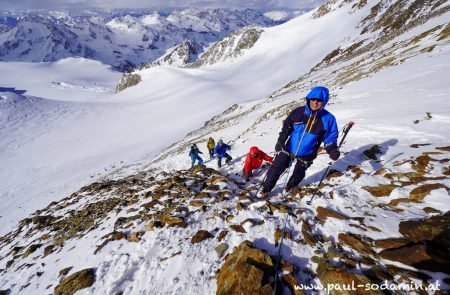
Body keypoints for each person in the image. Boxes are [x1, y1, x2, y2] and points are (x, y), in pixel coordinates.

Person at [260, 86, 340, 197]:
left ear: (324, 102)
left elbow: (330, 136)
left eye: (319, 101)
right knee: (276, 168)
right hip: (289, 148)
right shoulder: (298, 112)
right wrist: (280, 141)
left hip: (308, 152)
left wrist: (332, 149)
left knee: (299, 173)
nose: (315, 103)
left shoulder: (328, 119)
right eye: (313, 99)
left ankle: (290, 187)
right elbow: (286, 127)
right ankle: (266, 188)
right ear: (309, 99)